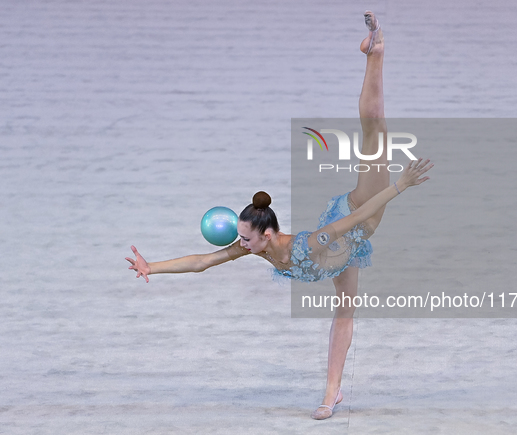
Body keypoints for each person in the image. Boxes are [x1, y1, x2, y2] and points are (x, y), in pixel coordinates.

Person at [126, 11, 434, 420]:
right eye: (241, 239)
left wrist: (399, 186)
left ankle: (375, 52)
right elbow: (202, 262)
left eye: (246, 239)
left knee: (374, 129)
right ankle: (332, 394)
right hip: (341, 254)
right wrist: (153, 267)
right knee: (345, 312)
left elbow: (353, 223)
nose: (240, 245)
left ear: (268, 234)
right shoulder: (257, 249)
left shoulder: (308, 243)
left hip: (359, 216)